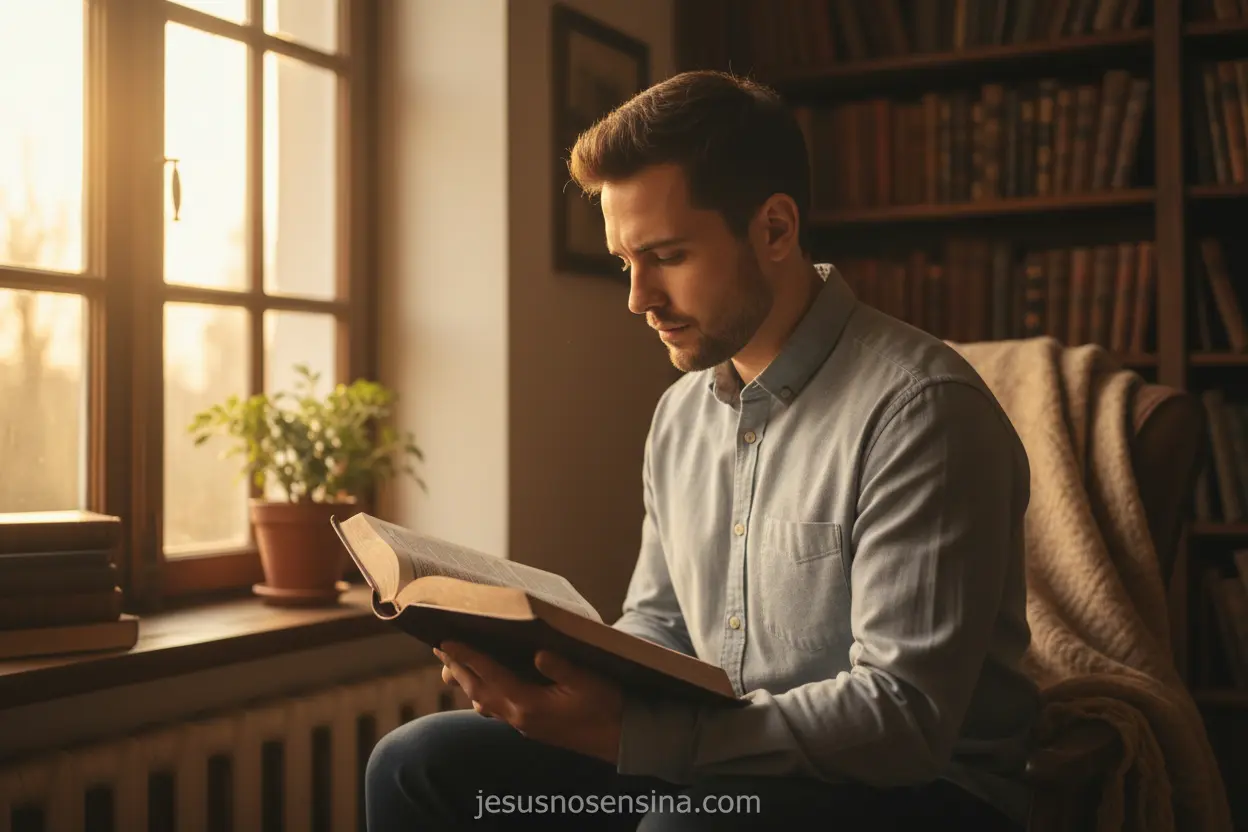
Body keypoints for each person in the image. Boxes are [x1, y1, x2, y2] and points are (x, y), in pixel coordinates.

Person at [365, 69, 1038, 832]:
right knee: (417, 764)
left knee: (692, 827)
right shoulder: (681, 415)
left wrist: (632, 736)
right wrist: (549, 676)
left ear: (775, 230)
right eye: (626, 261)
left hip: (917, 793)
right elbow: (661, 627)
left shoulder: (923, 412)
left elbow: (904, 717)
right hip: (715, 761)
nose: (637, 297)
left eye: (668, 256)